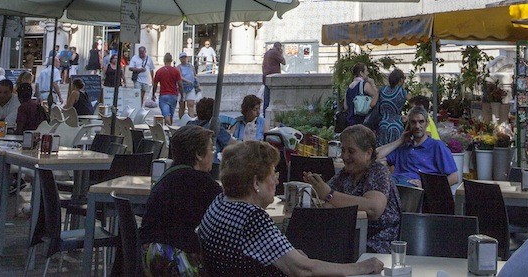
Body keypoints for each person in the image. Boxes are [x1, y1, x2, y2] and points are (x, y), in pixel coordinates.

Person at [197, 140, 384, 276]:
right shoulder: (252, 218)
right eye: (273, 173)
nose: (277, 180)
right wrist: (360, 267)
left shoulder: (220, 203)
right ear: (256, 183)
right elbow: (303, 269)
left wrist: (291, 256)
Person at [305, 124, 401, 253]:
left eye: (351, 151)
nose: (344, 156)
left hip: (376, 244)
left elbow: (373, 209)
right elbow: (323, 195)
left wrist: (329, 195)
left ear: (368, 153)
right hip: (348, 237)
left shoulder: (378, 172)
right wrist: (314, 186)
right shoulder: (346, 174)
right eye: (343, 150)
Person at [140, 125, 223, 274]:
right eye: (211, 149)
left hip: (145, 256)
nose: (213, 154)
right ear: (199, 154)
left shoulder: (167, 176)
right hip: (174, 258)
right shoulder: (203, 183)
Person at [376, 107, 458, 187]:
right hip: (396, 185)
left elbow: (454, 178)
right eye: (413, 122)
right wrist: (400, 140)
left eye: (421, 122)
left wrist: (427, 185)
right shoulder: (403, 146)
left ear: (427, 123)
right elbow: (375, 156)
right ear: (409, 124)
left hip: (417, 190)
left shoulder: (436, 146)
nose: (417, 126)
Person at [376, 68, 407, 146]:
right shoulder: (403, 92)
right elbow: (415, 103)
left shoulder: (382, 90)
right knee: (397, 150)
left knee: (382, 150)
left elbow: (373, 104)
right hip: (397, 125)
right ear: (401, 80)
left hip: (383, 124)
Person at [344, 63, 379, 127]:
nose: (368, 73)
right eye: (366, 71)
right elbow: (375, 96)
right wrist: (372, 83)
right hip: (362, 122)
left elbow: (346, 106)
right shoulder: (364, 85)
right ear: (361, 73)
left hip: (350, 122)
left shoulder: (349, 87)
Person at [152, 53, 183, 124]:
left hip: (164, 95)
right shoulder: (176, 71)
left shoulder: (159, 71)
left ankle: (168, 126)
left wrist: (153, 94)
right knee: (171, 115)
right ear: (171, 60)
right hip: (173, 95)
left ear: (164, 60)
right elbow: (180, 84)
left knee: (166, 115)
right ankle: (169, 128)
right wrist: (182, 96)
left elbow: (155, 84)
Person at [261, 41, 285, 111]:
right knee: (274, 97)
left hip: (266, 77)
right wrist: (281, 53)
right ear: (279, 47)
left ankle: (265, 112)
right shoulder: (276, 53)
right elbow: (284, 62)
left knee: (266, 97)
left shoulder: (267, 53)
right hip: (274, 78)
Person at [178, 51, 200, 118]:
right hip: (182, 88)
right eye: (182, 57)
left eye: (185, 57)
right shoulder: (178, 67)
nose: (183, 59)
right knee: (182, 106)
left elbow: (194, 75)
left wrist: (197, 84)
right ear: (180, 59)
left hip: (191, 87)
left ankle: (191, 119)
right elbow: (179, 77)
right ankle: (182, 119)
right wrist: (187, 81)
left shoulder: (191, 66)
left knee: (191, 104)